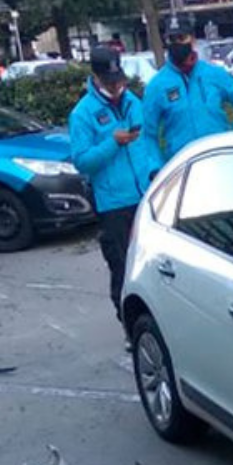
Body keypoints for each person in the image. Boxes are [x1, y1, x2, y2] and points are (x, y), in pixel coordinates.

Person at [68, 47, 157, 334]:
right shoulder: (83, 114)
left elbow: (147, 142)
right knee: (122, 267)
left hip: (144, 194)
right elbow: (82, 161)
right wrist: (112, 143)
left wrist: (155, 174)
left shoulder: (132, 101)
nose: (116, 87)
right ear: (95, 76)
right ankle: (130, 329)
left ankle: (154, 322)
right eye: (109, 81)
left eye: (119, 80)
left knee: (153, 265)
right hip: (113, 203)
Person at [142, 28, 233, 166]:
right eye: (172, 39)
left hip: (221, 161)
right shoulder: (157, 85)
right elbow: (147, 132)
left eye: (182, 37)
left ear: (192, 40)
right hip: (182, 167)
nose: (177, 43)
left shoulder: (212, 73)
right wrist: (156, 167)